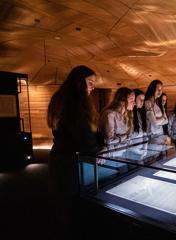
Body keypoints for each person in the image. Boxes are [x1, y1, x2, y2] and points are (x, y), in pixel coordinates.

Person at [47, 65, 99, 239]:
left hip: (61, 158)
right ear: (79, 82)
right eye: (90, 82)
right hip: (69, 162)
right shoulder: (73, 103)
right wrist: (97, 149)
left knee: (63, 206)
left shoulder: (61, 99)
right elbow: (82, 135)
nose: (93, 87)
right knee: (70, 207)